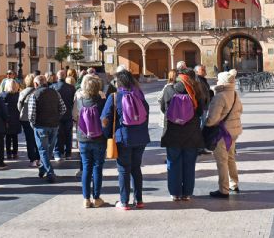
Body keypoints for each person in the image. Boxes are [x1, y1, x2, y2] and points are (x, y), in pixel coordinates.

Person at [101, 69, 150, 210]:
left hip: (123, 138)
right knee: (136, 168)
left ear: (118, 82)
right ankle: (139, 200)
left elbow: (105, 119)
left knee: (123, 170)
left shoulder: (115, 97)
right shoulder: (139, 95)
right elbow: (146, 115)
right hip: (141, 138)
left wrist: (108, 135)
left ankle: (124, 201)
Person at [159, 69, 204, 201]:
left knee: (173, 164)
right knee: (189, 164)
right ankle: (187, 193)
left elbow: (163, 108)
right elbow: (201, 111)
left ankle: (175, 193)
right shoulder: (196, 91)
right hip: (192, 134)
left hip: (172, 133)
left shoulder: (168, 90)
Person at [206, 69, 243, 198]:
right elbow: (240, 111)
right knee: (231, 158)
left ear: (222, 82)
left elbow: (212, 119)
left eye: (218, 79)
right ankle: (234, 184)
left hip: (222, 133)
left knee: (222, 161)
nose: (216, 81)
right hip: (234, 131)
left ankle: (223, 189)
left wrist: (206, 124)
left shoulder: (219, 97)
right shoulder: (235, 94)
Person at [73, 74, 106, 208]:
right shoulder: (102, 101)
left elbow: (74, 116)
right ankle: (97, 198)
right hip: (99, 138)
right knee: (98, 167)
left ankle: (86, 199)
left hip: (83, 138)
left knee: (86, 167)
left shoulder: (80, 100)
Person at [28, 75, 66, 183]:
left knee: (43, 150)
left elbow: (31, 115)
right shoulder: (55, 92)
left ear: (36, 84)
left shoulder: (34, 95)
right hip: (54, 125)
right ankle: (42, 168)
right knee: (48, 149)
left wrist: (33, 124)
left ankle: (50, 172)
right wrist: (56, 117)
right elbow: (63, 108)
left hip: (40, 126)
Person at [52, 70, 76, 161]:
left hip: (57, 114)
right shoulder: (71, 88)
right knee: (68, 134)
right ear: (65, 76)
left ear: (57, 77)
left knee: (58, 135)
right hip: (68, 114)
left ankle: (58, 153)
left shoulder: (53, 87)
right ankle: (68, 153)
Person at [18, 74, 40, 168]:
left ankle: (32, 159)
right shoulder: (38, 91)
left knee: (29, 139)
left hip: (25, 118)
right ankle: (39, 158)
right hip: (36, 117)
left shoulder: (23, 92)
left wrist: (22, 112)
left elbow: (19, 105)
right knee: (37, 138)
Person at [0, 80, 21, 159]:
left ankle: (8, 153)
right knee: (15, 137)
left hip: (7, 118)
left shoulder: (3, 95)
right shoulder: (18, 95)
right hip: (16, 118)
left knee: (8, 137)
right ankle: (15, 153)